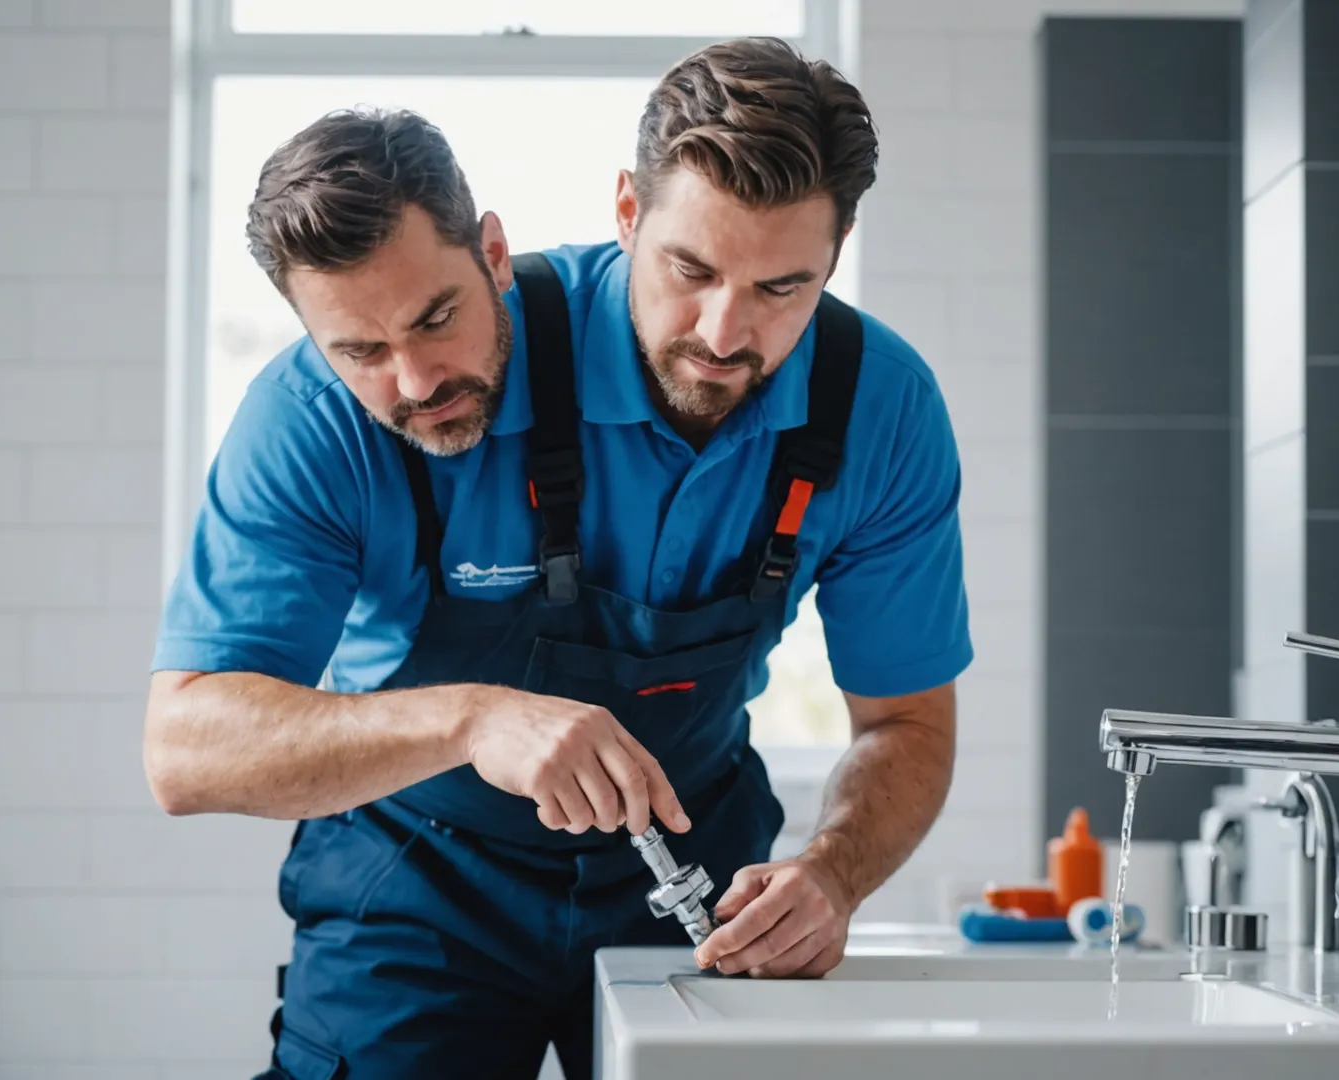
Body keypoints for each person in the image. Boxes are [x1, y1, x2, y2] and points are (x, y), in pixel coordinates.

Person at [144, 36, 971, 1080]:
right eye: (690, 271)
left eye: (781, 287)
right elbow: (186, 750)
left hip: (697, 876)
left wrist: (834, 875)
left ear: (838, 250)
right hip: (418, 880)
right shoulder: (322, 413)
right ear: (627, 211)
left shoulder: (881, 408)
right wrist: (473, 719)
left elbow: (906, 724)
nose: (725, 332)